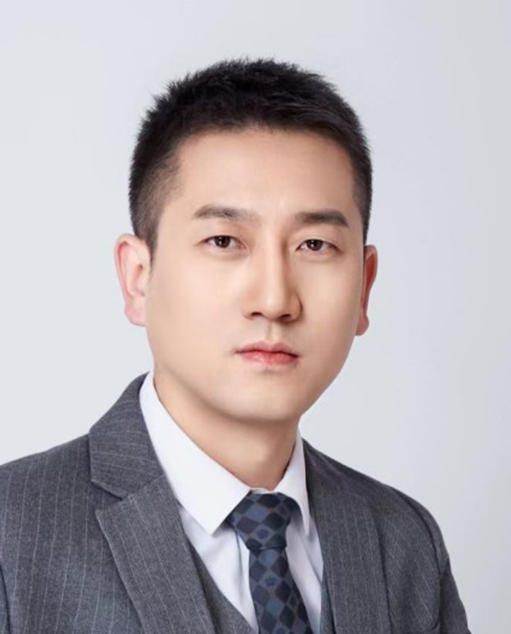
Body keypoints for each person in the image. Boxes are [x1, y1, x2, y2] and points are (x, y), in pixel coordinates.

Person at [0, 58, 470, 633]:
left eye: (315, 245)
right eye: (224, 240)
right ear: (138, 278)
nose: (274, 299)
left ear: (364, 288)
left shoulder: (404, 541)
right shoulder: (12, 535)